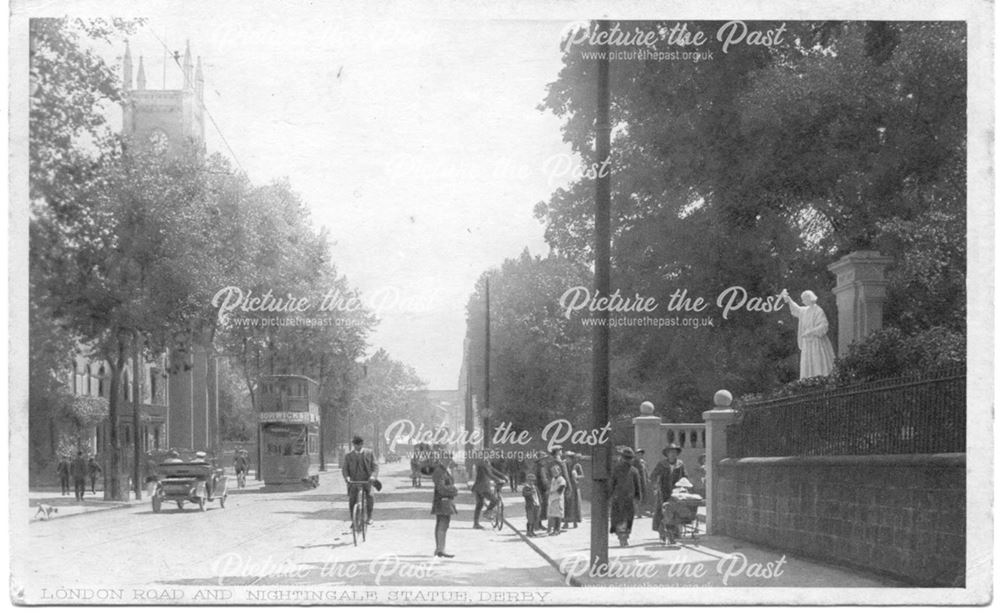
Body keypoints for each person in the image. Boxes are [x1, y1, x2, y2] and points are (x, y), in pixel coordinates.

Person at [780, 289, 836, 379]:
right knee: (808, 363)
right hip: (807, 342)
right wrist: (789, 300)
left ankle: (819, 380)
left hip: (817, 341)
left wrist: (812, 332)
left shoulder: (818, 310)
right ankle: (808, 382)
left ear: (810, 298)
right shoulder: (805, 310)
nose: (803, 301)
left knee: (818, 362)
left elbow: (824, 325)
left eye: (804, 299)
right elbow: (797, 309)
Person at [650, 443, 687, 543]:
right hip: (663, 492)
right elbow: (653, 476)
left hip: (676, 492)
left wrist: (684, 486)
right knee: (662, 512)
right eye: (670, 452)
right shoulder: (662, 464)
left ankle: (673, 535)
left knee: (675, 513)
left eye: (674, 452)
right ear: (667, 454)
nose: (672, 454)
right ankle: (662, 533)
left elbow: (685, 476)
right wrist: (655, 486)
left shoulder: (680, 464)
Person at [609, 447, 642, 546]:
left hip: (629, 499)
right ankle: (621, 537)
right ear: (622, 458)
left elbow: (637, 486)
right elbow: (612, 483)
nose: (627, 460)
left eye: (629, 458)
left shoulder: (634, 471)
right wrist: (610, 496)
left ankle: (625, 536)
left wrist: (638, 497)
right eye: (626, 458)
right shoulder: (616, 469)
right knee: (619, 518)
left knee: (628, 519)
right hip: (618, 498)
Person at [342, 435, 379, 524]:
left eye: (359, 445)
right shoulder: (349, 456)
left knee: (370, 496)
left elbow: (375, 466)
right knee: (352, 500)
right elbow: (345, 469)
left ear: (362, 444)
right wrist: (347, 477)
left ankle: (369, 517)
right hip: (354, 481)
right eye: (355, 445)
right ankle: (353, 520)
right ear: (353, 445)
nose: (357, 447)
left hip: (367, 480)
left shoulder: (369, 453)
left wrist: (373, 476)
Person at [430, 451, 458, 557]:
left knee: (442, 524)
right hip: (443, 500)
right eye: (447, 458)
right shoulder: (440, 471)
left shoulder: (444, 470)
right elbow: (441, 488)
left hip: (444, 500)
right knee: (443, 524)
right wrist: (453, 490)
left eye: (450, 458)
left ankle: (440, 549)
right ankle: (440, 549)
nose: (449, 460)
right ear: (442, 459)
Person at [471, 456, 506, 529]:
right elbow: (489, 474)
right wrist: (498, 480)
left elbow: (494, 471)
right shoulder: (482, 464)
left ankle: (476, 523)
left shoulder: (486, 463)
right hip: (483, 488)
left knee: (479, 505)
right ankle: (487, 512)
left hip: (478, 488)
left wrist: (504, 476)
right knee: (495, 500)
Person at [564, 452, 584, 529]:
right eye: (566, 458)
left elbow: (582, 475)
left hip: (575, 487)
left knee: (575, 505)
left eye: (568, 458)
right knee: (566, 504)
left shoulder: (577, 465)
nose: (567, 459)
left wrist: (576, 476)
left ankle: (575, 522)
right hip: (567, 487)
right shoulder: (565, 465)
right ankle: (566, 522)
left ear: (571, 458)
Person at [547, 465, 567, 535]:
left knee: (558, 515)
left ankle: (557, 530)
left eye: (556, 471)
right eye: (553, 471)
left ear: (559, 471)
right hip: (552, 499)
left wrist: (553, 492)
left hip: (558, 498)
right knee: (554, 515)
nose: (554, 473)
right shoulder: (553, 479)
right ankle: (554, 529)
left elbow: (561, 490)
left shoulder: (561, 479)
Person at [522, 472, 541, 537]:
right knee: (530, 519)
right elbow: (524, 494)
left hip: (536, 504)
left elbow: (538, 495)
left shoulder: (535, 487)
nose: (531, 482)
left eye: (533, 481)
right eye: (530, 481)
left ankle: (532, 531)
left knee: (535, 518)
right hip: (530, 506)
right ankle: (528, 531)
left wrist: (540, 502)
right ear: (527, 481)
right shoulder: (526, 487)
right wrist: (530, 492)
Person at [632, 449, 649, 517]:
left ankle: (642, 511)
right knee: (637, 496)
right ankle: (637, 512)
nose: (640, 455)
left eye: (641, 454)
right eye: (638, 454)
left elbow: (646, 471)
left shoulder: (643, 462)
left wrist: (647, 478)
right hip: (636, 481)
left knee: (643, 496)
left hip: (643, 481)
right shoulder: (633, 462)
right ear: (635, 455)